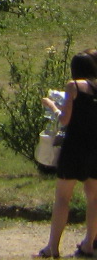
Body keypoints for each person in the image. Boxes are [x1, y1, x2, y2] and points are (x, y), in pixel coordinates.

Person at [40, 50, 97, 257]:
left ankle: (53, 247)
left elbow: (64, 119)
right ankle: (89, 243)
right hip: (94, 149)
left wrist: (52, 106)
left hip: (74, 148)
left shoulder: (73, 86)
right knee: (94, 198)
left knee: (63, 198)